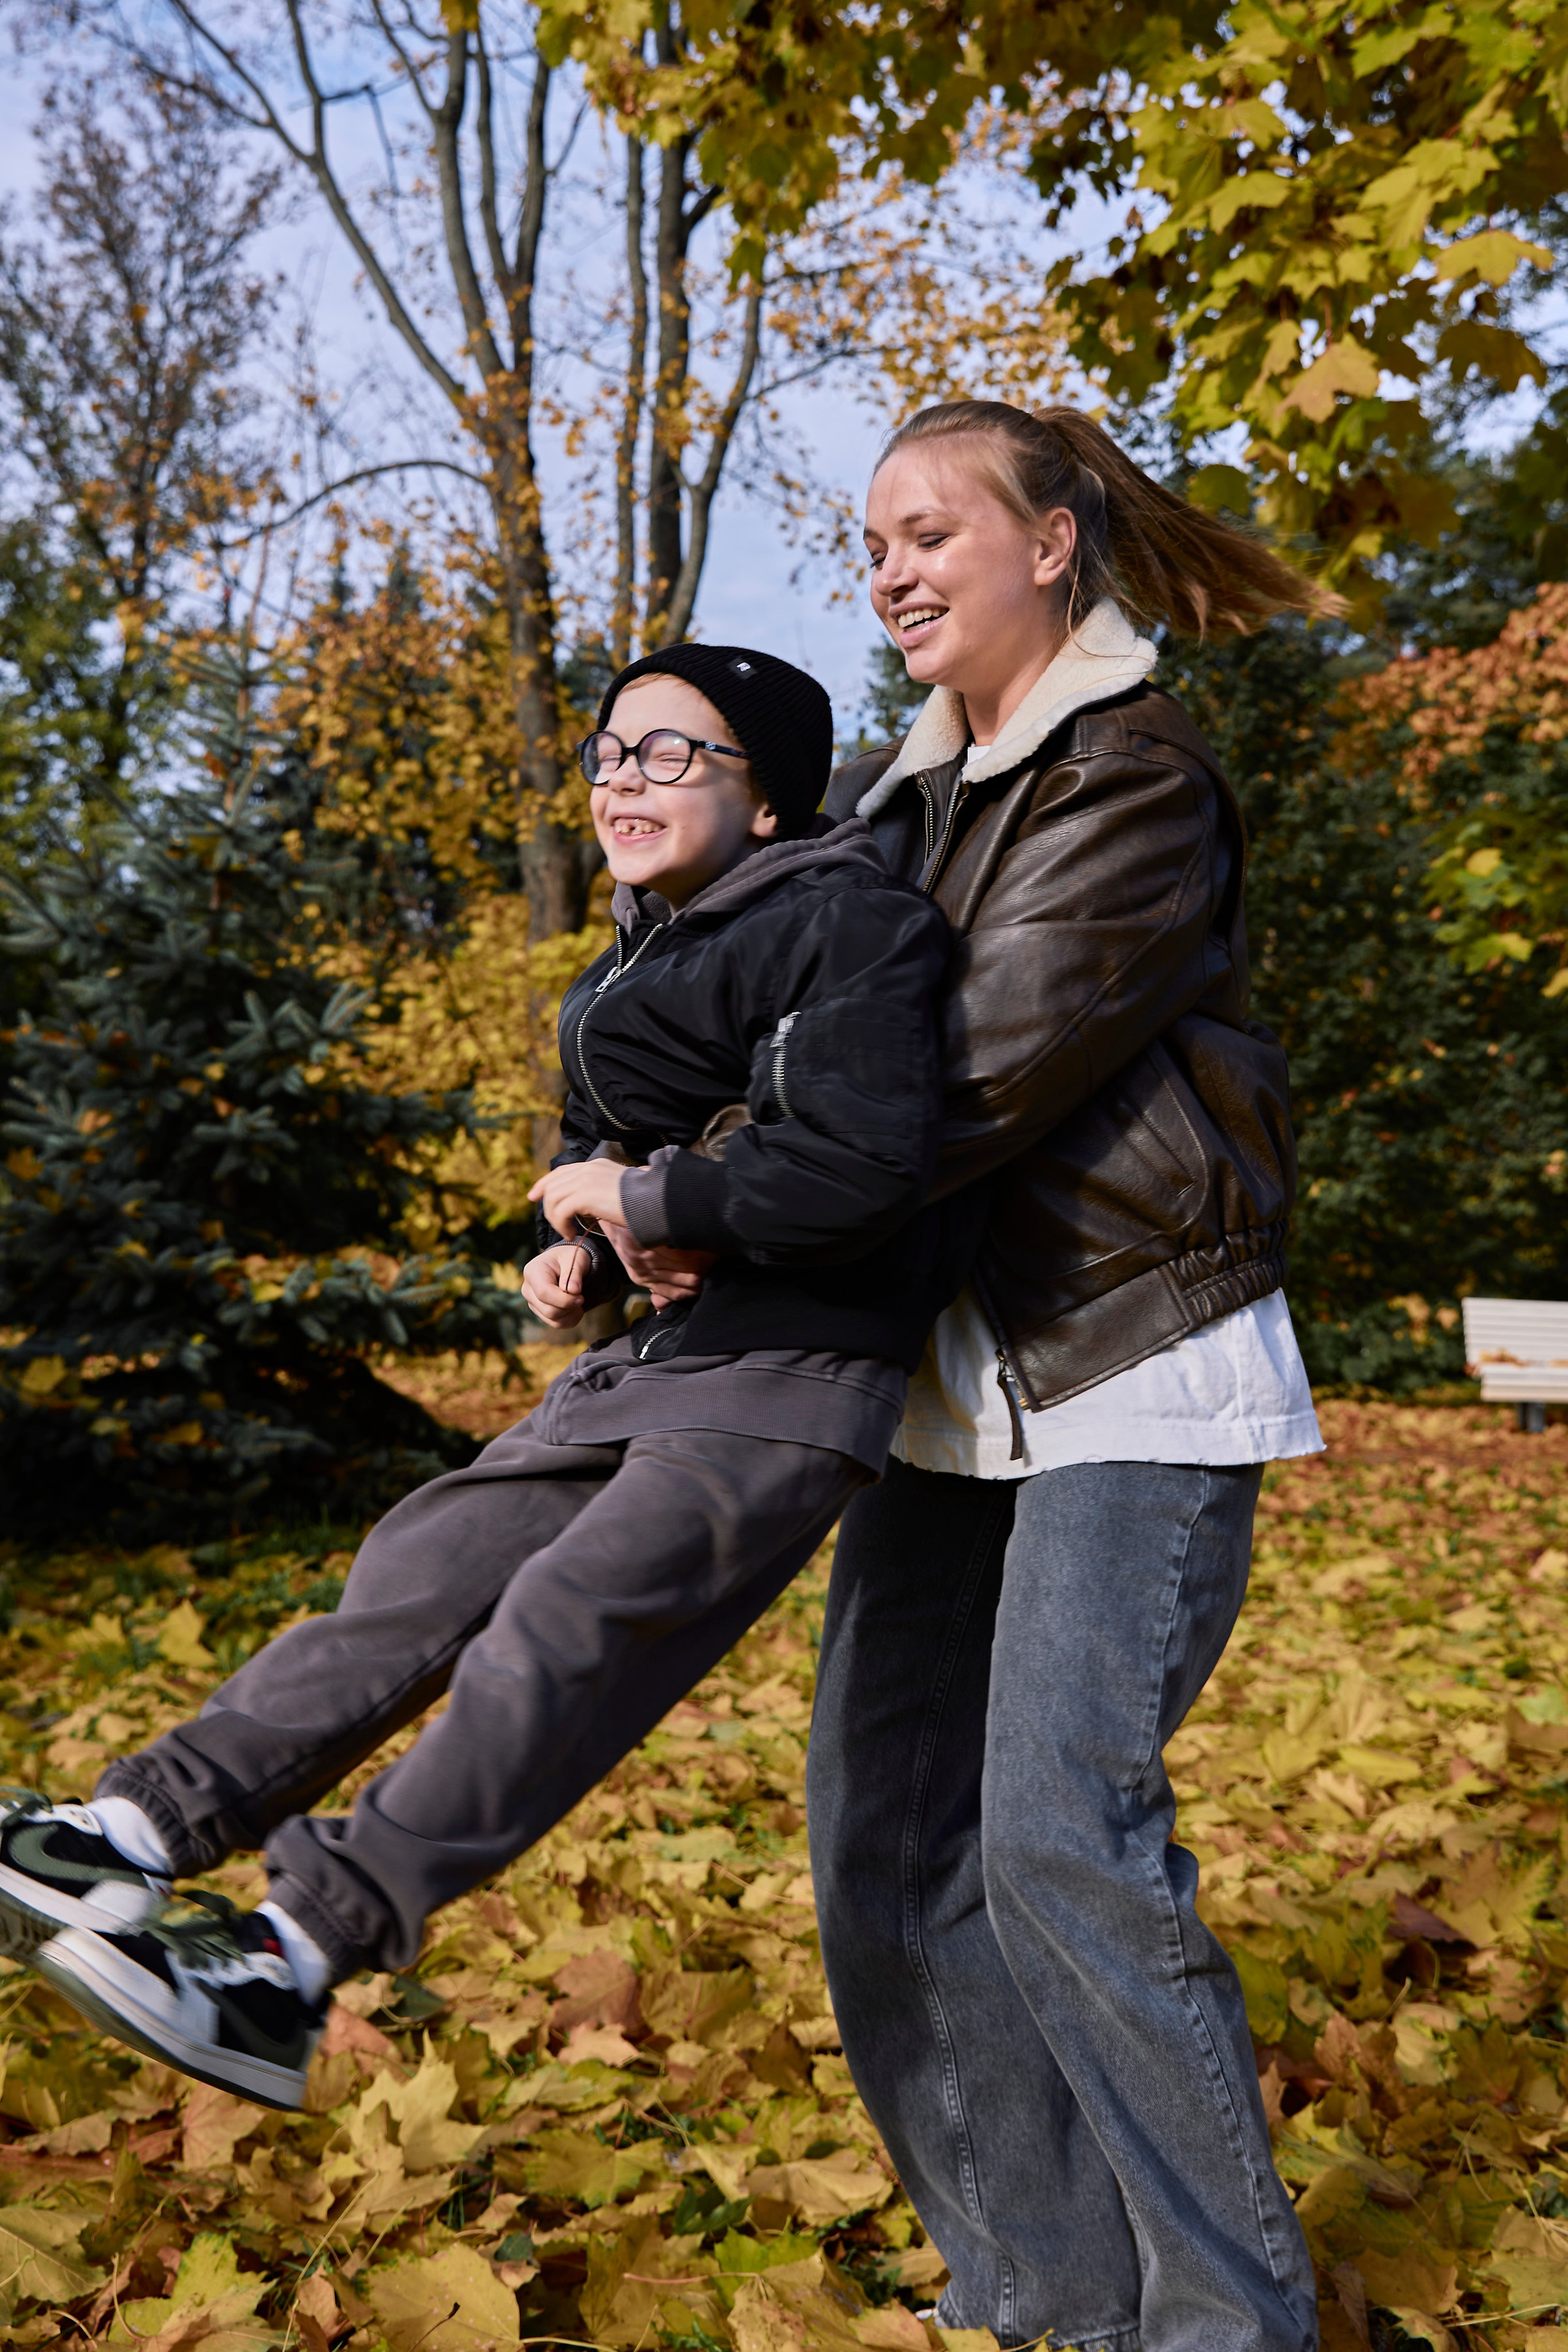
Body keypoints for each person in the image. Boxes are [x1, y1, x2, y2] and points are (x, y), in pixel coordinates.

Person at [0, 643, 967, 2112]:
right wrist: (578, 1256)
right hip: (644, 1363)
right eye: (607, 752)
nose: (621, 782)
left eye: (671, 755)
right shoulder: (625, 961)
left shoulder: (846, 922)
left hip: (788, 1376)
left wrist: (648, 1207)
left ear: (768, 799)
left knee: (566, 1631)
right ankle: (134, 1829)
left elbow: (852, 1162)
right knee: (417, 1568)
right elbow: (616, 1167)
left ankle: (283, 1962)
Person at [616, 404, 1332, 2352]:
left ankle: (1223, 2323)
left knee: (1053, 1840)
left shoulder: (1138, 780)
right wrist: (630, 1197)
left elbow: (952, 1081)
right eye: (871, 545)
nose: (893, 571)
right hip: (942, 1387)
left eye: (932, 529)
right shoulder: (888, 811)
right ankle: (1049, 2298)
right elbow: (744, 1026)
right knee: (881, 1852)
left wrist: (702, 1188)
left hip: (1128, 1362)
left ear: (1056, 544)